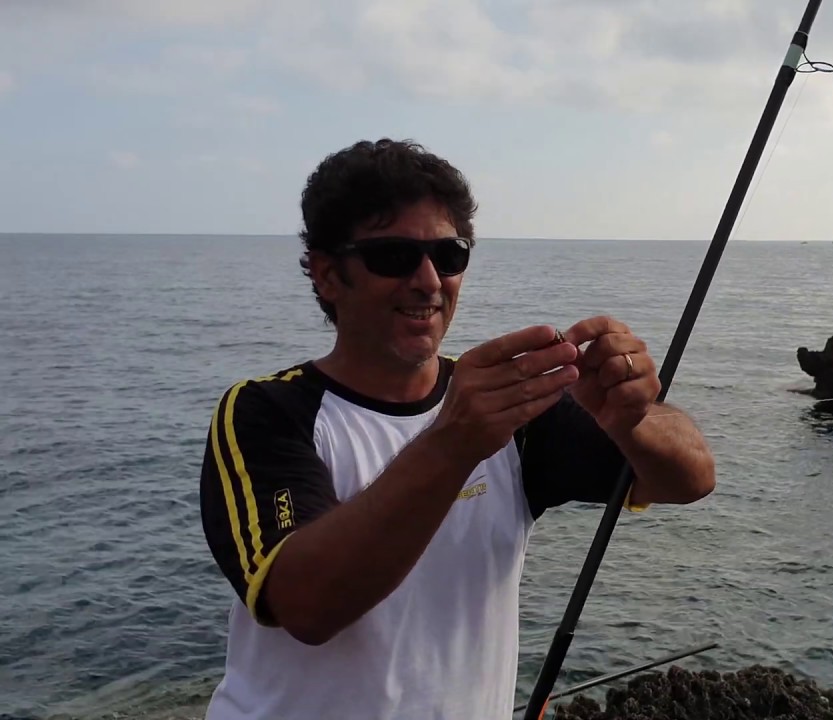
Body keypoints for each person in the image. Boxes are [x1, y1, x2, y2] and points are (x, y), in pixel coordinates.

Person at [197, 138, 716, 720]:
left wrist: (634, 419)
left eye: (449, 254)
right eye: (393, 256)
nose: (427, 280)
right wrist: (453, 442)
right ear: (326, 275)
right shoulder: (265, 412)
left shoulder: (508, 411)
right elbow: (307, 605)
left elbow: (690, 478)